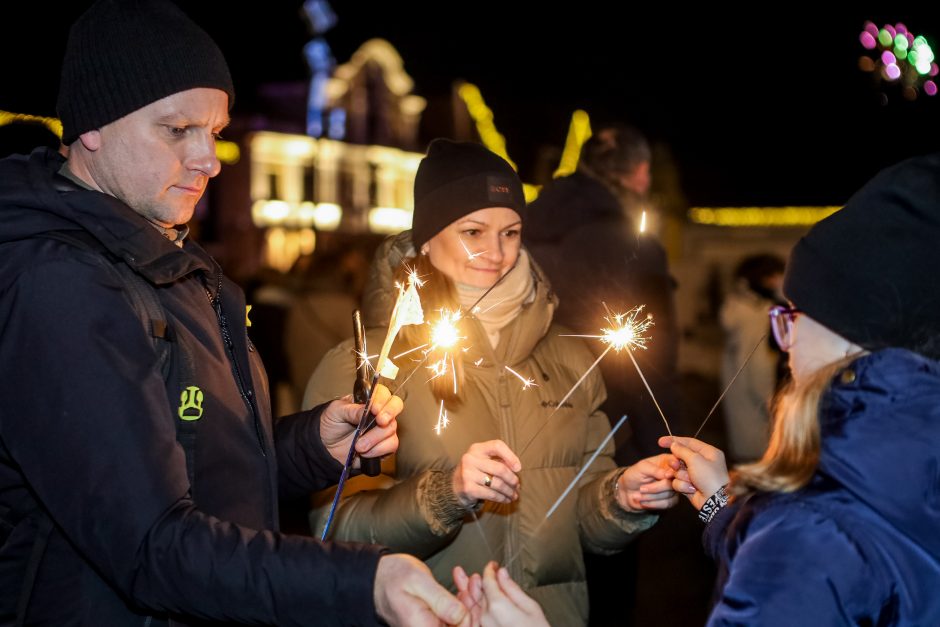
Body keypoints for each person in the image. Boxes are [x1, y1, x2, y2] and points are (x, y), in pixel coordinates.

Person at [0, 1, 467, 625]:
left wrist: (309, 448)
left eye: (214, 132)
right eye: (177, 130)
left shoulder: (166, 257)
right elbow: (152, 545)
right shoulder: (59, 283)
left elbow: (191, 470)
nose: (210, 160)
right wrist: (360, 582)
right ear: (93, 127)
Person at [304, 139, 678, 626]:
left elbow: (576, 519)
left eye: (511, 232)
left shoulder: (569, 353)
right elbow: (334, 532)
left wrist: (619, 499)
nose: (495, 253)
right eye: (473, 231)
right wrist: (445, 494)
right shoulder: (370, 363)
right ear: (428, 236)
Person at [662, 153, 940, 624]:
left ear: (846, 327)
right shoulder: (902, 478)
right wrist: (721, 505)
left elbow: (811, 552)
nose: (785, 344)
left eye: (792, 315)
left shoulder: (811, 533)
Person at [524, 123, 678, 462]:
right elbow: (653, 360)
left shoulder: (520, 232)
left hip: (529, 420)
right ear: (639, 173)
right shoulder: (636, 247)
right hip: (614, 430)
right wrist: (661, 444)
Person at [719, 253, 786, 462]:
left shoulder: (738, 310)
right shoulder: (758, 315)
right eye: (776, 276)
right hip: (760, 420)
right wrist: (775, 408)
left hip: (742, 411)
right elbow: (758, 366)